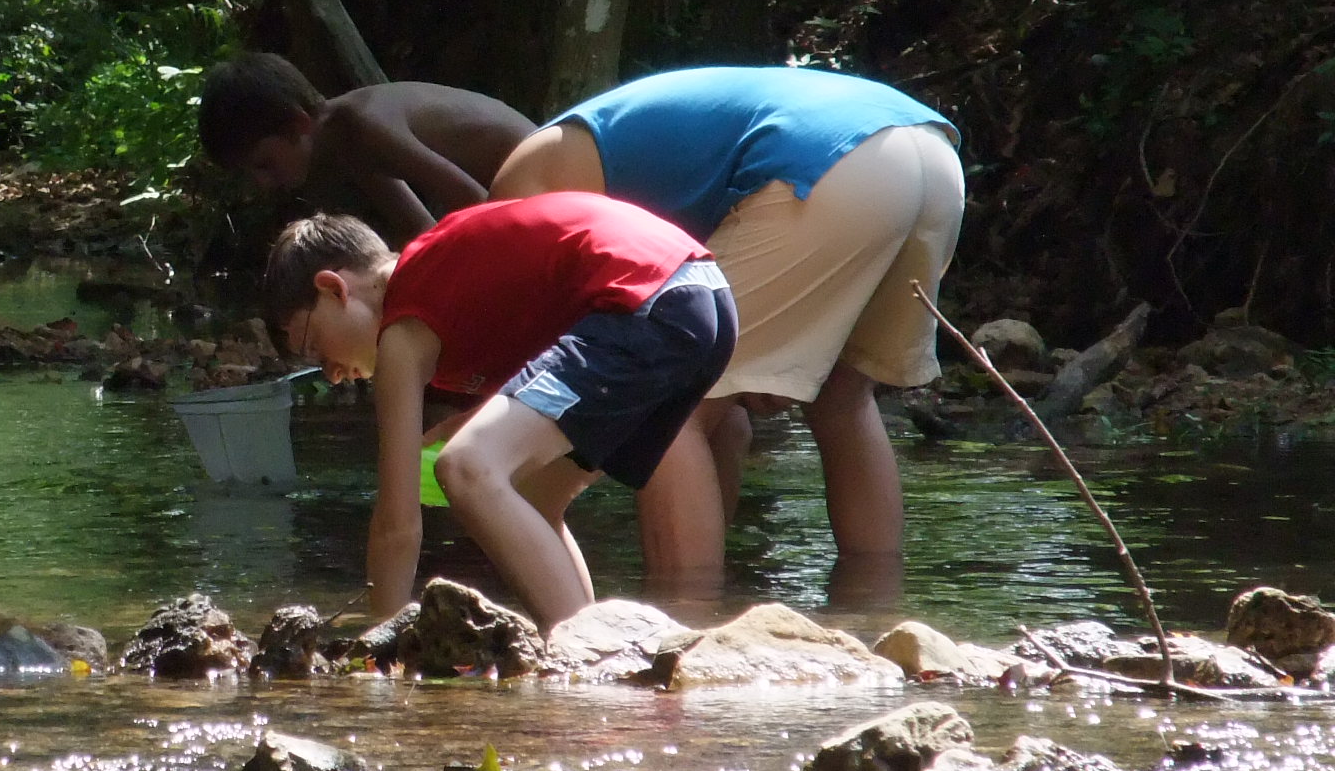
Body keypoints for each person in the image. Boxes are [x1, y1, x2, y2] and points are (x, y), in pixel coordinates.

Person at [487, 64, 962, 572]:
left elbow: (558, 337)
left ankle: (689, 627)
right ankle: (874, 614)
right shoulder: (604, 149)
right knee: (842, 398)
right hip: (929, 155)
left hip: (821, 164)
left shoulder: (514, 192)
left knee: (671, 407)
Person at [267, 202, 736, 626]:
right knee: (532, 495)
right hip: (702, 296)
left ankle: (585, 654)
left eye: (314, 347)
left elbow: (397, 524)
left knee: (467, 466)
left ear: (333, 289)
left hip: (649, 300)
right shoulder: (445, 291)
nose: (328, 374)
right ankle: (585, 638)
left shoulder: (404, 322)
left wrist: (381, 640)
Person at [199, 53, 537, 242]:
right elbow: (420, 231)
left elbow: (481, 208)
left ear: (297, 126)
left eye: (265, 164)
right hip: (523, 197)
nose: (262, 183)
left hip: (553, 178)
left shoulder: (366, 124)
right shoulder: (345, 142)